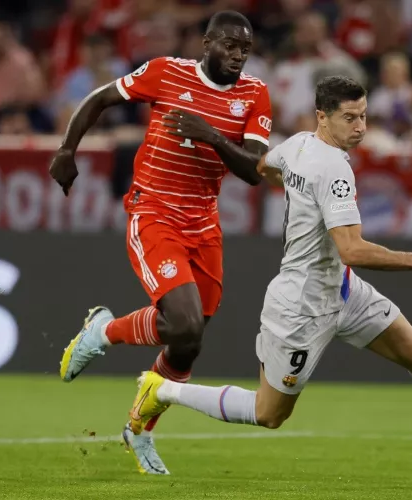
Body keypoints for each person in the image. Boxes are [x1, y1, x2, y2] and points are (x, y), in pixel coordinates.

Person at [126, 75, 412, 467]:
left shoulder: (298, 144)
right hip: (302, 305)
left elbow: (264, 167)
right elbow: (351, 250)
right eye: (349, 117)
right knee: (269, 413)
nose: (360, 126)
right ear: (322, 117)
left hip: (344, 291)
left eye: (363, 116)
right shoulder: (333, 168)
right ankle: (162, 390)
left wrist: (292, 185)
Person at [49, 11, 272, 476]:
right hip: (153, 212)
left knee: (187, 343)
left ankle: (138, 426)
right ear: (206, 42)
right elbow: (99, 98)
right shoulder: (165, 72)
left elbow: (254, 171)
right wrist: (67, 149)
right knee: (184, 324)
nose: (237, 55)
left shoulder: (254, 94)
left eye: (245, 49)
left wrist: (210, 135)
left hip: (203, 224)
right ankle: (105, 335)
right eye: (229, 45)